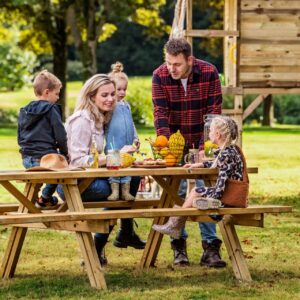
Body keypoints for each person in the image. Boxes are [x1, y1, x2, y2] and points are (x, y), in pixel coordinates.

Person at [57, 74, 145, 266]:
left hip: (92, 179)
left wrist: (128, 156)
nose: (111, 99)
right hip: (73, 184)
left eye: (113, 94)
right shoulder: (82, 120)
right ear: (91, 97)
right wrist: (116, 157)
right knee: (118, 192)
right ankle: (115, 237)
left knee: (133, 179)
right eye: (104, 95)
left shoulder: (100, 117)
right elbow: (78, 160)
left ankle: (118, 236)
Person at [152, 38, 225, 267]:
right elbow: (160, 113)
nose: (171, 69)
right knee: (178, 191)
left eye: (177, 64)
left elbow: (214, 113)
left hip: (203, 141)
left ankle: (210, 247)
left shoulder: (209, 72)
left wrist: (207, 148)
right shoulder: (160, 76)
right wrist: (165, 148)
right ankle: (178, 247)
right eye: (168, 63)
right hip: (175, 144)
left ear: (190, 60)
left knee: (205, 191)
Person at [153, 116, 244, 267]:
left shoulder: (226, 154)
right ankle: (175, 224)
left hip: (228, 197)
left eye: (211, 131)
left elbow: (221, 186)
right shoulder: (230, 150)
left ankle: (175, 223)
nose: (208, 134)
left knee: (196, 190)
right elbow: (216, 164)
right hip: (233, 195)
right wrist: (200, 164)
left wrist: (209, 197)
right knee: (197, 192)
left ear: (218, 135)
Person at [17, 70, 68, 209]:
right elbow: (61, 135)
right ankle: (44, 198)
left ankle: (34, 202)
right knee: (61, 171)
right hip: (46, 159)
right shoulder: (51, 109)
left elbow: (19, 136)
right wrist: (65, 153)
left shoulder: (24, 110)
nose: (57, 98)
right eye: (56, 94)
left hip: (27, 159)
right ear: (46, 92)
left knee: (39, 178)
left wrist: (26, 152)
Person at [105, 62, 139, 201]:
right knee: (114, 166)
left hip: (127, 143)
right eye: (118, 89)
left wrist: (136, 137)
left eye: (124, 89)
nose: (122, 92)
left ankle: (125, 191)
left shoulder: (127, 106)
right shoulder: (109, 106)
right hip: (114, 144)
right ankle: (114, 191)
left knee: (126, 167)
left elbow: (131, 123)